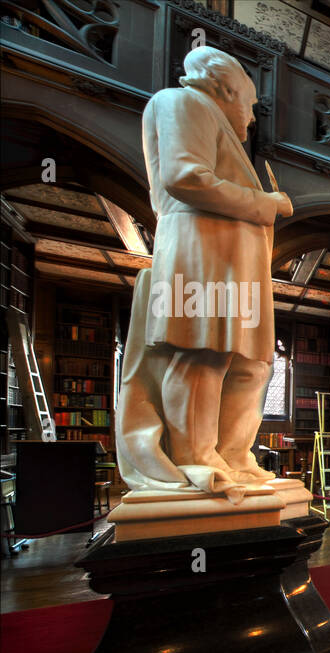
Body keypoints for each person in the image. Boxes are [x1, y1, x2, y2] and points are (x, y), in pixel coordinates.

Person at [116, 46, 295, 497]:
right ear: (226, 87)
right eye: (250, 106)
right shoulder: (182, 102)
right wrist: (267, 205)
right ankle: (198, 457)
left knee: (252, 364)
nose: (252, 118)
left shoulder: (215, 121)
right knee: (202, 354)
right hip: (202, 252)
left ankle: (233, 454)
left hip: (237, 261)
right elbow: (185, 177)